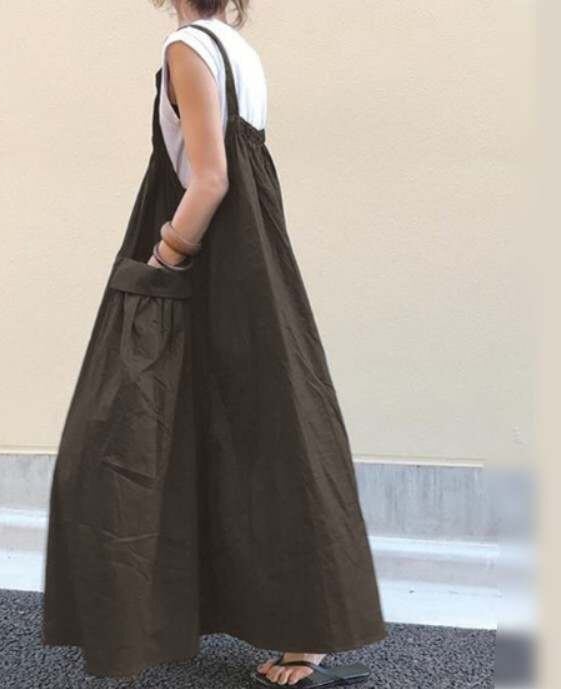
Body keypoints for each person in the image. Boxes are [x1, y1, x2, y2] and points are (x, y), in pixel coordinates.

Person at [42, 1, 387, 686]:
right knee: (266, 431)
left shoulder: (186, 49)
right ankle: (302, 632)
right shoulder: (237, 51)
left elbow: (210, 178)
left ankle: (135, 618)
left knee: (120, 432)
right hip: (251, 259)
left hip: (205, 258)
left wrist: (163, 258)